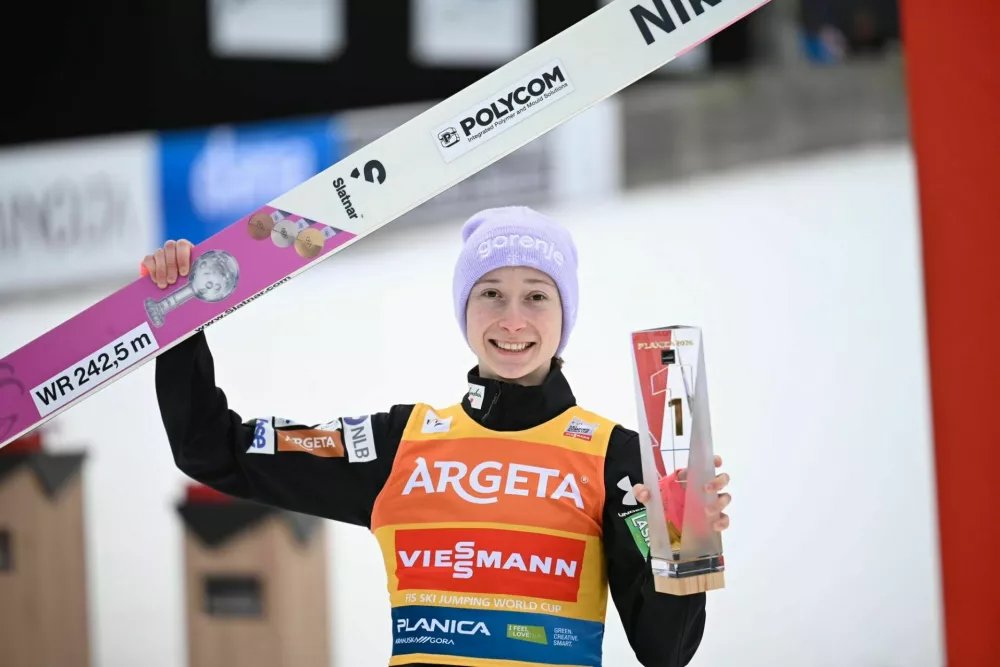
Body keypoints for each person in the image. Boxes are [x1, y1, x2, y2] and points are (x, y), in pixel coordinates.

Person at [145, 206, 733, 667]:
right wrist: (180, 315)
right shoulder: (401, 444)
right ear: (464, 307)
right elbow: (212, 450)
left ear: (564, 312)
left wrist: (682, 539)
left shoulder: (619, 459)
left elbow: (667, 652)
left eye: (536, 295)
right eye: (490, 293)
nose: (512, 319)